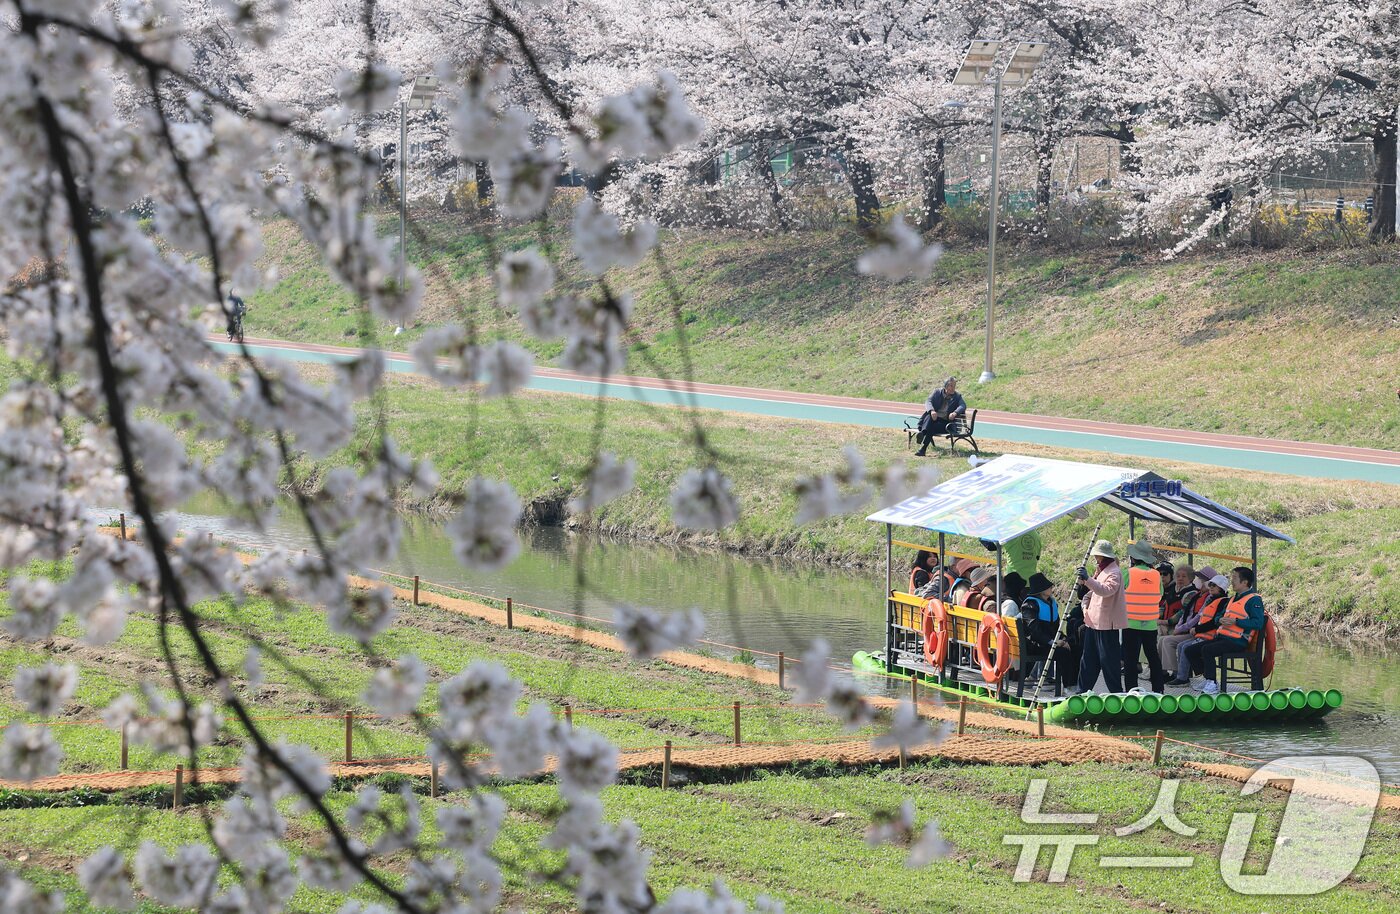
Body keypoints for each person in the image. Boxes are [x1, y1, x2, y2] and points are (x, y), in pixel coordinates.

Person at [1182, 567, 1266, 694]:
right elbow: (1218, 616)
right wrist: (1219, 620)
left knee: (1207, 650)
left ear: (1245, 582)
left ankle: (1212, 683)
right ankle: (1206, 678)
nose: (1232, 582)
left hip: (1237, 641)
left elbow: (1258, 623)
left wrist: (1236, 622)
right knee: (1190, 650)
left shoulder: (1254, 600)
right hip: (1222, 638)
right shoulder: (1232, 599)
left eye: (1235, 579)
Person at [1074, 539, 1126, 694]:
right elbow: (1092, 593)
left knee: (1109, 663)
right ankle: (1081, 692)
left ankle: (1116, 694)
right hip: (1093, 623)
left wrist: (1088, 579)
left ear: (1102, 556)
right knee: (1088, 661)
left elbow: (1106, 590)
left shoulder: (1114, 572)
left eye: (1097, 556)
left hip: (1106, 625)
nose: (1095, 558)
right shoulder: (1102, 570)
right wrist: (1085, 606)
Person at [1166, 571, 1229, 686]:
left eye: (1213, 585)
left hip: (1211, 636)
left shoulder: (1223, 601)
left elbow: (1214, 622)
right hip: (1202, 634)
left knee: (1186, 647)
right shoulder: (1211, 600)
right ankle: (1184, 677)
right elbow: (1201, 617)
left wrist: (1197, 629)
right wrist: (1196, 628)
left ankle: (1194, 677)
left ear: (1221, 588)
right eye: (1209, 584)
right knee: (1181, 646)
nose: (1210, 587)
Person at [1120, 541, 1166, 693]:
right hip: (1151, 624)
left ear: (1133, 558)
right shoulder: (1156, 574)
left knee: (1130, 660)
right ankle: (1159, 691)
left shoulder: (1128, 573)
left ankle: (1132, 692)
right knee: (1153, 658)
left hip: (1131, 624)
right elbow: (1159, 595)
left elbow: (1119, 594)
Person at [1021, 572, 1072, 691]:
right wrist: (1052, 642)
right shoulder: (1030, 605)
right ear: (1040, 590)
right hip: (1035, 644)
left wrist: (1064, 640)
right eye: (1048, 586)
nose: (1051, 588)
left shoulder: (1052, 603)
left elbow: (1056, 627)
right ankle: (1066, 687)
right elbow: (1034, 631)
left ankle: (1072, 684)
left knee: (1074, 647)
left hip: (1048, 642)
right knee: (1062, 653)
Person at [1158, 566, 1212, 678]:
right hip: (1181, 627)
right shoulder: (1193, 594)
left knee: (1167, 640)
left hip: (1192, 631)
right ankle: (1161, 670)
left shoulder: (1195, 594)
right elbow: (1164, 607)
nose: (1180, 578)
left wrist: (1168, 624)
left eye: (1184, 576)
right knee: (1158, 637)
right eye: (1178, 576)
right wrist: (1159, 620)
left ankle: (1177, 673)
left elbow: (1188, 615)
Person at [914, 377, 967, 456]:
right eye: (951, 386)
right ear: (946, 386)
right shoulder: (937, 392)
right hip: (934, 420)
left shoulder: (957, 396)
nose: (953, 388)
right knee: (930, 417)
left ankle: (923, 437)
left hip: (946, 425)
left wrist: (955, 413)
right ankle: (922, 446)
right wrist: (932, 411)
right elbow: (928, 401)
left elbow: (963, 405)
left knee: (931, 426)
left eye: (954, 386)